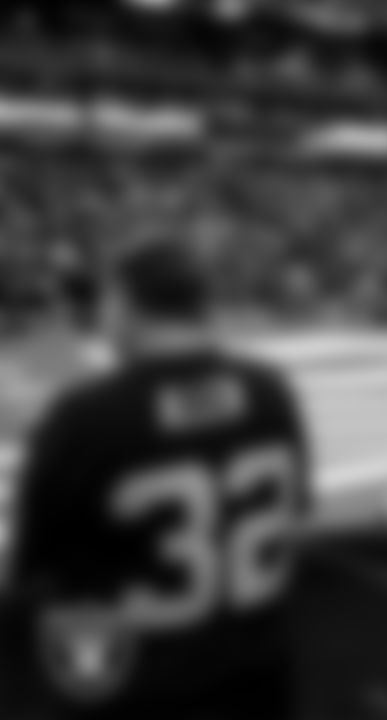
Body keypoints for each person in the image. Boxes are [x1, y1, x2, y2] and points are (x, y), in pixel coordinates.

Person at [5, 241, 312, 720]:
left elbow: (39, 568)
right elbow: (296, 516)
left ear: (124, 303)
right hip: (259, 674)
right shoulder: (271, 390)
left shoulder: (86, 414)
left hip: (139, 686)